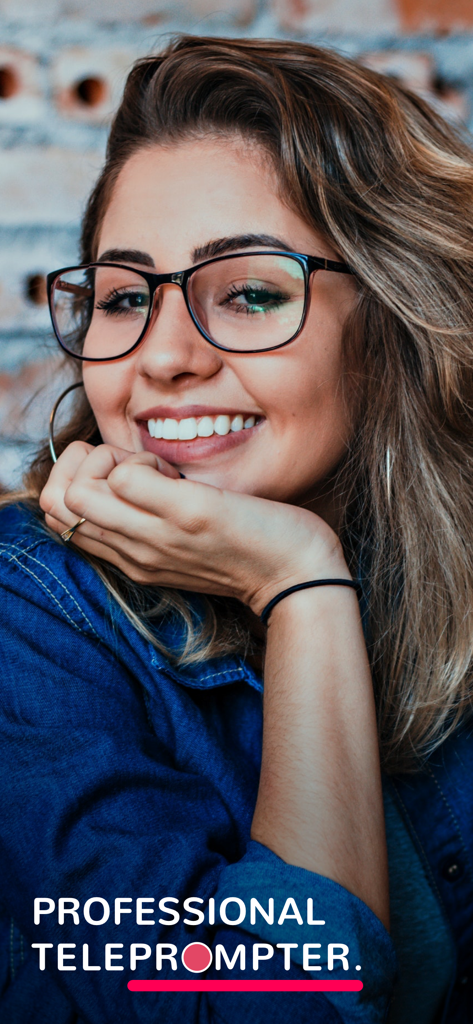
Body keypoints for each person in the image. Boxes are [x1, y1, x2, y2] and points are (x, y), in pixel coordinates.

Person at [0, 34, 472, 1024]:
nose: (161, 355)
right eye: (126, 296)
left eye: (251, 291)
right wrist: (299, 582)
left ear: (390, 319)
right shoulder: (25, 615)